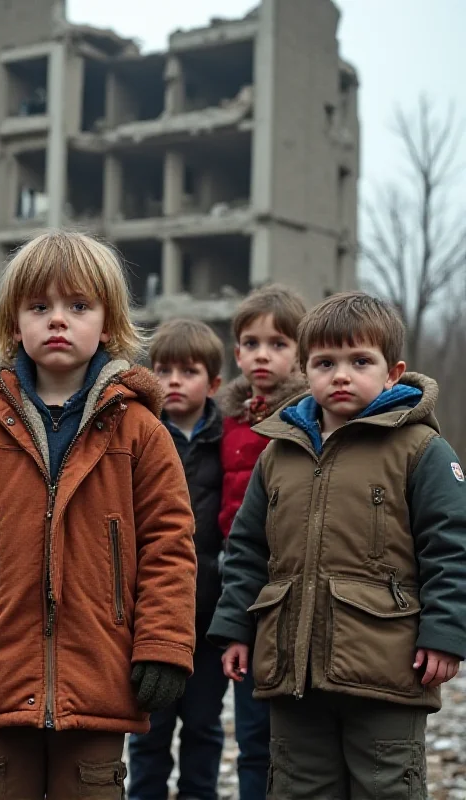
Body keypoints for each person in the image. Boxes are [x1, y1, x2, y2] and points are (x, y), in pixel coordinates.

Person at [0, 231, 197, 799]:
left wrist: (164, 645)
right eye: (40, 307)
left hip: (101, 671)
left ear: (109, 324)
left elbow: (170, 545)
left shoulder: (141, 431)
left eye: (78, 306)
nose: (58, 320)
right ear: (15, 323)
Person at [208, 291, 466, 799]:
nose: (341, 374)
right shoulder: (279, 453)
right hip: (293, 672)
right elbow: (246, 550)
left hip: (388, 671)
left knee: (386, 788)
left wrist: (445, 631)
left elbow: (452, 546)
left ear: (392, 372)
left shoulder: (421, 450)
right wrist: (236, 627)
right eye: (325, 362)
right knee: (297, 788)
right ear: (305, 371)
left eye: (360, 361)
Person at [128, 319, 228, 800]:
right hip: (147, 619)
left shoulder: (228, 442)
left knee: (204, 730)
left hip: (209, 617)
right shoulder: (140, 435)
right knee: (148, 731)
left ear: (213, 384)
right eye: (163, 369)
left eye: (187, 371)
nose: (173, 381)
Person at [215, 284, 306, 799]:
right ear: (236, 353)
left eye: (277, 344)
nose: (262, 355)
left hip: (291, 574)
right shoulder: (225, 418)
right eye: (251, 344)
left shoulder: (308, 418)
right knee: (250, 729)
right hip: (240, 578)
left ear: (301, 353)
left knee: (293, 735)